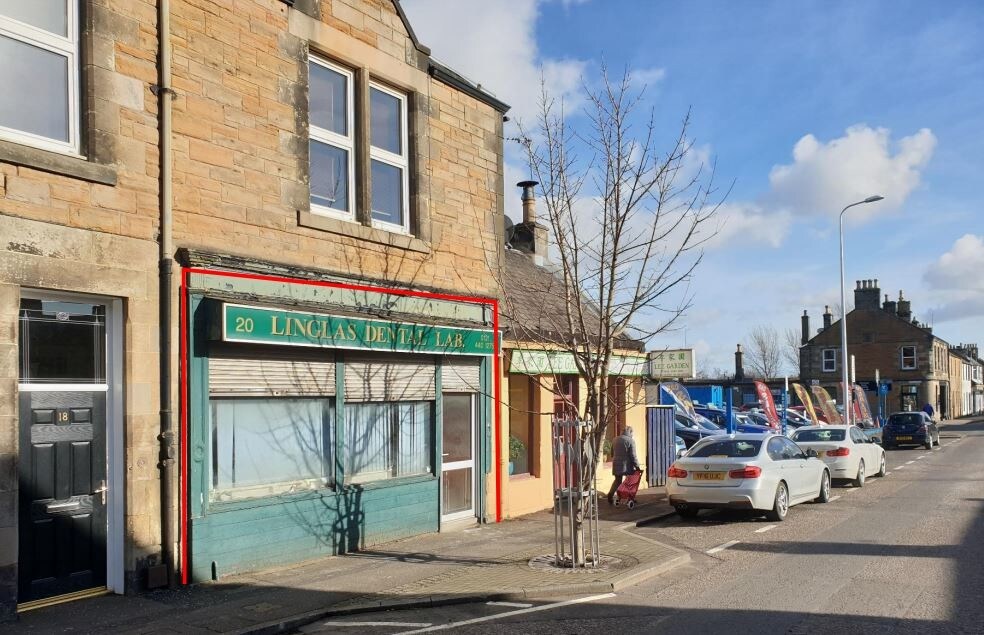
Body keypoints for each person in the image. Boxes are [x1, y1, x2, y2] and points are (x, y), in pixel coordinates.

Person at [607, 426, 640, 505]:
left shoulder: (615, 439)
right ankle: (630, 498)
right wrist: (637, 466)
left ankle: (611, 494)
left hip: (616, 464)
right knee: (629, 482)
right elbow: (633, 456)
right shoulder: (631, 441)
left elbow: (611, 453)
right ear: (630, 432)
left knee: (617, 481)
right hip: (626, 465)